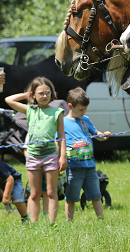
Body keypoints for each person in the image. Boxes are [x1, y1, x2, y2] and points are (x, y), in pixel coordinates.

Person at [5, 77, 66, 224]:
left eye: (47, 93)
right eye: (41, 93)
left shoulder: (57, 112)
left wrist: (62, 156)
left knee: (51, 192)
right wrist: (28, 95)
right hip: (33, 155)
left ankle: (52, 223)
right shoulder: (30, 110)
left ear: (52, 93)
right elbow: (9, 100)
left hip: (50, 155)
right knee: (35, 193)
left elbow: (62, 136)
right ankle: (33, 222)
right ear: (34, 94)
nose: (44, 96)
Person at [63, 87, 111, 221]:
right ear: (70, 106)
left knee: (96, 195)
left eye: (85, 109)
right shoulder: (63, 122)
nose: (83, 112)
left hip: (90, 166)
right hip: (73, 166)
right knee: (71, 196)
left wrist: (104, 135)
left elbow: (96, 134)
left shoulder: (85, 119)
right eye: (80, 109)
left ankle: (101, 219)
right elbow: (58, 141)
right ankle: (69, 222)